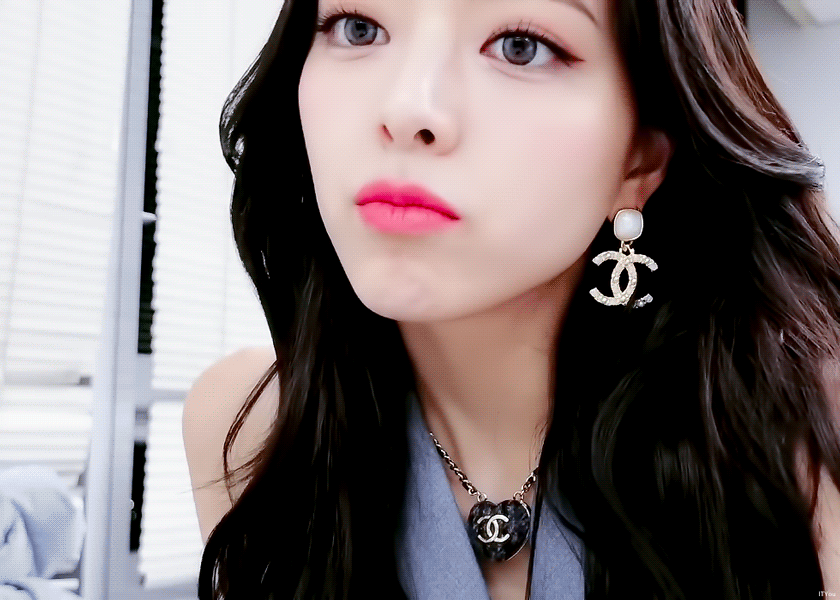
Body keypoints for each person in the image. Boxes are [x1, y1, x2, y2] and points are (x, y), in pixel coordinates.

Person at [182, 0, 840, 598]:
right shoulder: (252, 430)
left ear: (641, 159)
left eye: (521, 46)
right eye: (358, 28)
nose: (408, 108)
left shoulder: (802, 442)